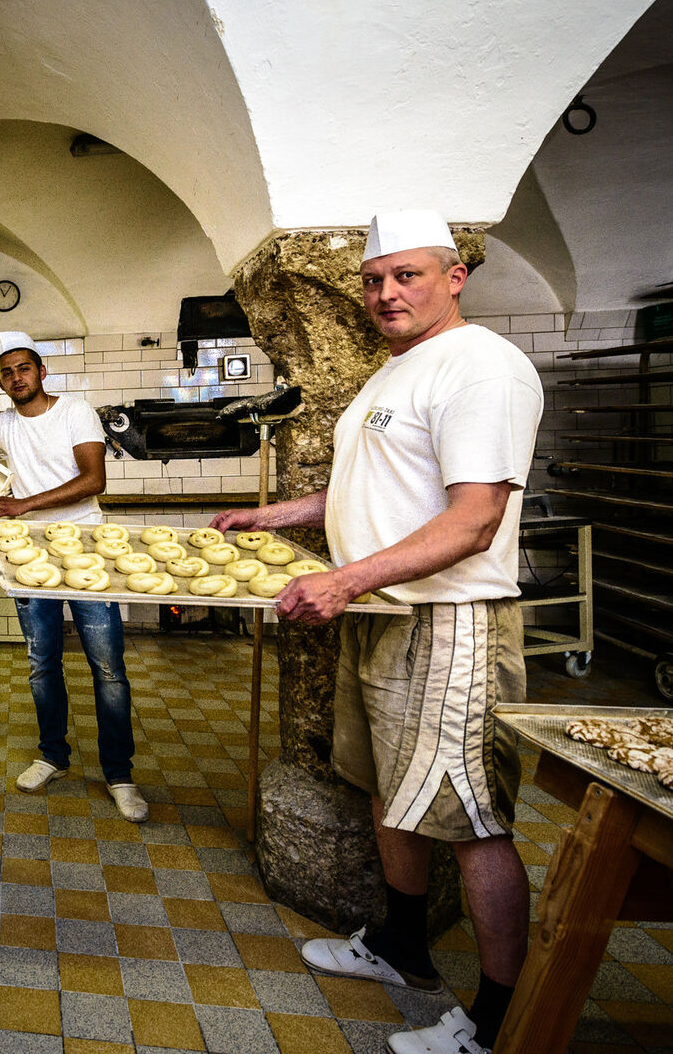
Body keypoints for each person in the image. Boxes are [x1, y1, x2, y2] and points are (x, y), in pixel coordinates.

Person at [211, 210, 542, 1054]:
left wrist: (344, 578)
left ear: (454, 277)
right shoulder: (395, 372)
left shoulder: (480, 367)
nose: (386, 293)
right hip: (382, 615)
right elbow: (371, 491)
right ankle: (401, 947)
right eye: (373, 279)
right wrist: (272, 516)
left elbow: (473, 520)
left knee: (471, 819)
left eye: (407, 275)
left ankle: (500, 1025)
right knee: (387, 791)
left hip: (449, 622)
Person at [0, 330, 147, 822]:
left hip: (85, 549)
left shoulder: (76, 413)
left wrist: (23, 504)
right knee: (42, 663)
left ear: (42, 372)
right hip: (31, 556)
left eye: (23, 368)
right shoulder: (2, 424)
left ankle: (119, 774)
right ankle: (53, 756)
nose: (16, 378)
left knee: (107, 667)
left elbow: (93, 480)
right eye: (6, 372)